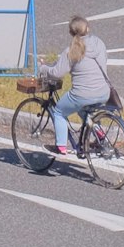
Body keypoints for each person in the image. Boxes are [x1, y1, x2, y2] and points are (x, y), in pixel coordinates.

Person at [38, 16, 112, 156]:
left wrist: (42, 68)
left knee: (59, 112)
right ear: (88, 28)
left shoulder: (72, 50)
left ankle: (60, 147)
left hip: (82, 94)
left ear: (71, 33)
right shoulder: (99, 43)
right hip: (104, 92)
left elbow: (57, 73)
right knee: (83, 110)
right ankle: (99, 134)